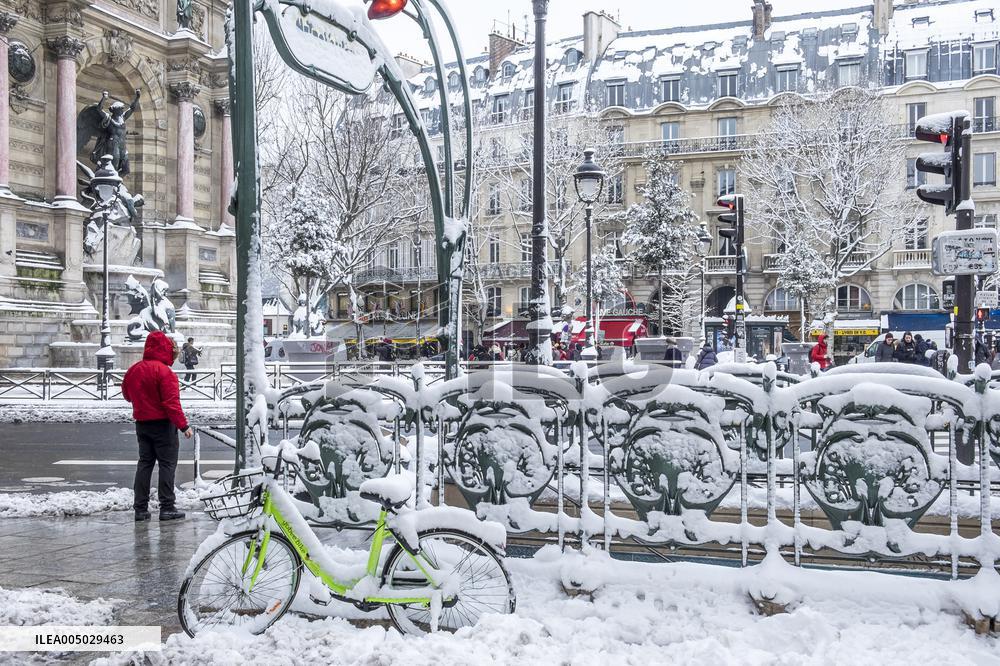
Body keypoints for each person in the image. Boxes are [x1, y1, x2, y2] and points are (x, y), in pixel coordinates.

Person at [122, 331, 192, 522]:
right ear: (165, 350)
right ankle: (167, 507)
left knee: (145, 464)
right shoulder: (165, 372)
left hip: (142, 424)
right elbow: (171, 404)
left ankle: (140, 509)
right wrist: (184, 426)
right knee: (167, 465)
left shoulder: (135, 369)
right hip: (163, 426)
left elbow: (127, 395)